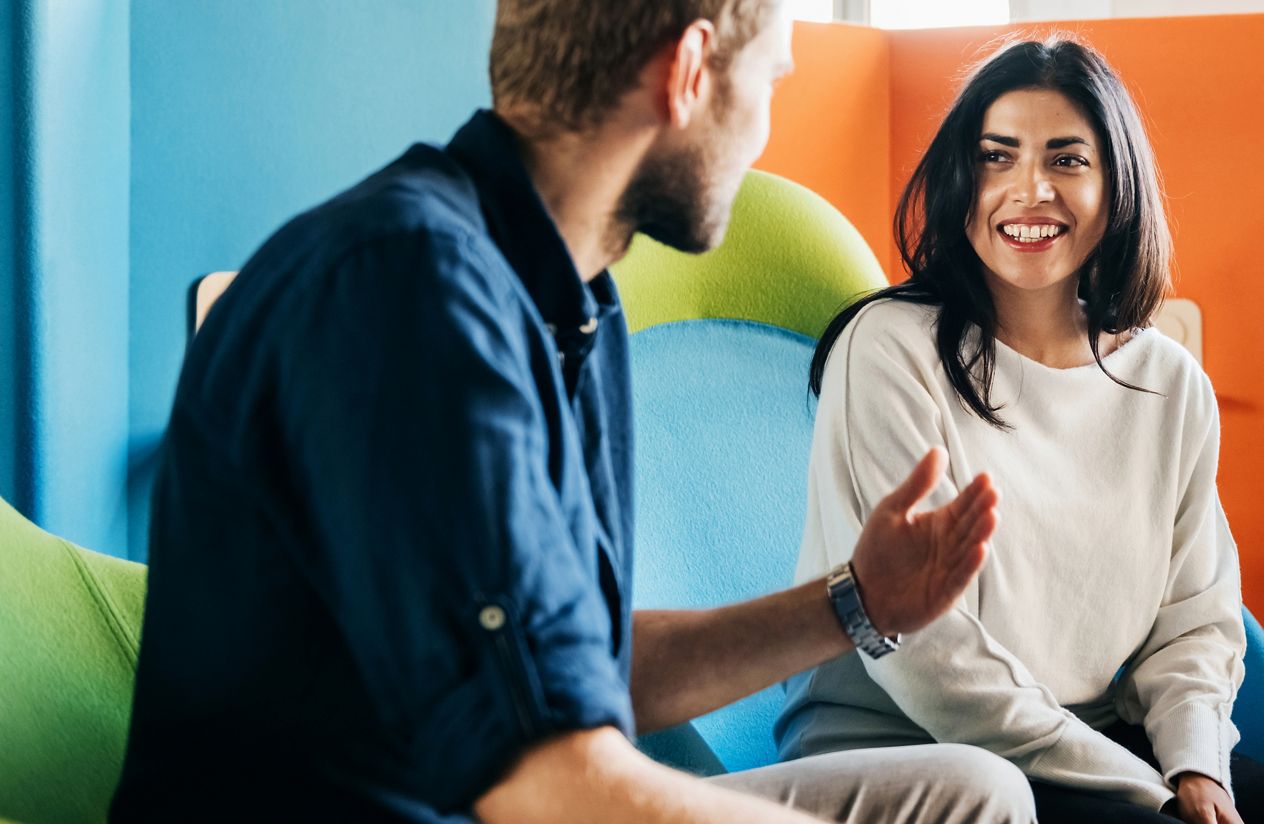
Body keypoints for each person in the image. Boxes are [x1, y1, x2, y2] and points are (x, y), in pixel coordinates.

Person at [111, 2, 1035, 821]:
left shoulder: (562, 299)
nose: (761, 132)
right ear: (685, 72)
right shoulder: (411, 291)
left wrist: (855, 604)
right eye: (767, 84)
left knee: (970, 793)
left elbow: (574, 671)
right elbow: (546, 787)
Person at [776, 38, 1264, 824]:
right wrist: (1144, 788)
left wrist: (1197, 771)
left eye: (1066, 160)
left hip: (1091, 745)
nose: (1028, 190)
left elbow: (1195, 622)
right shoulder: (887, 348)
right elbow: (929, 659)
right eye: (996, 158)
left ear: (1117, 188)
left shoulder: (1167, 381)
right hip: (912, 755)